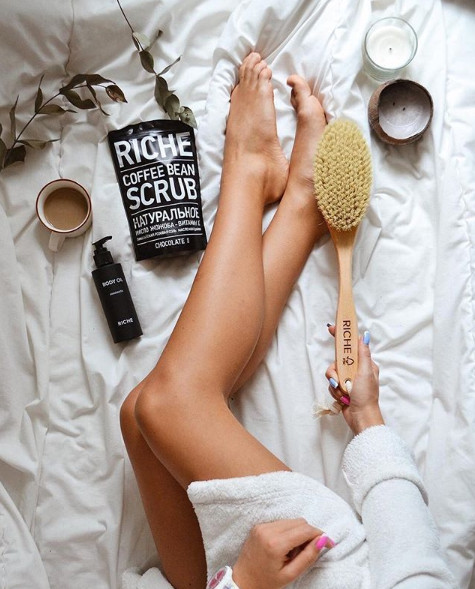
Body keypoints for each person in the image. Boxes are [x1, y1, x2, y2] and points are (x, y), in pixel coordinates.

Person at [120, 53, 455, 589]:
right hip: (323, 563)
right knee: (159, 409)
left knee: (147, 414)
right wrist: (367, 417)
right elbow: (416, 568)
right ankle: (290, 196)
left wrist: (244, 583)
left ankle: (259, 173)